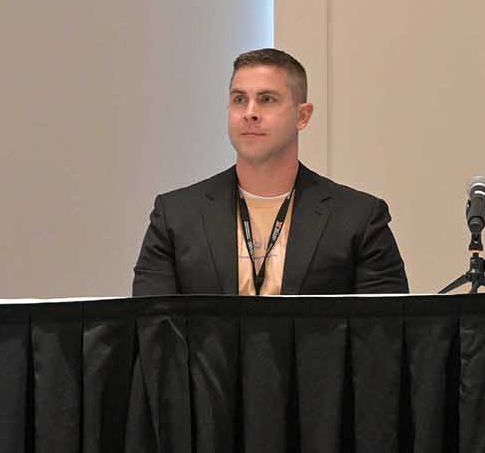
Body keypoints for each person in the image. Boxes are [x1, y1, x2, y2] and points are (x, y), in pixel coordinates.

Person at [133, 47, 407, 296]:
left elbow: (384, 338)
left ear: (302, 116)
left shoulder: (359, 219)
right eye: (239, 99)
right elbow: (152, 331)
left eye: (266, 99)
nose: (250, 112)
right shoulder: (175, 216)